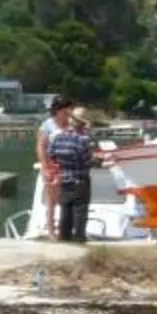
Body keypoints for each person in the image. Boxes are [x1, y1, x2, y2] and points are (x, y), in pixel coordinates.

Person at [44, 105, 97, 244]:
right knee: (80, 209)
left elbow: (51, 155)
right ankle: (79, 239)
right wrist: (96, 158)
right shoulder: (83, 140)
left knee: (65, 210)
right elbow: (88, 161)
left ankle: (64, 238)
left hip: (64, 178)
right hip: (80, 178)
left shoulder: (58, 137)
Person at [31, 96, 71, 237]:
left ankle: (65, 228)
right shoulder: (47, 125)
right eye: (66, 110)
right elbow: (41, 146)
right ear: (58, 110)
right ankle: (51, 230)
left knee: (67, 198)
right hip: (52, 163)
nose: (68, 113)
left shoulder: (71, 124)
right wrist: (45, 166)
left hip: (69, 165)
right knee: (52, 199)